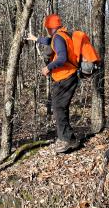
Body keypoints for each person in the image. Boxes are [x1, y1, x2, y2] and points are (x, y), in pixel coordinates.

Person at [27, 14, 80, 153]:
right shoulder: (63, 35)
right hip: (69, 76)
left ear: (50, 27)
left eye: (47, 28)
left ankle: (67, 140)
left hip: (65, 77)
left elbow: (62, 57)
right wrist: (36, 39)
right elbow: (49, 41)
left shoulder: (58, 38)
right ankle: (69, 138)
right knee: (61, 107)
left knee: (58, 108)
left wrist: (48, 68)